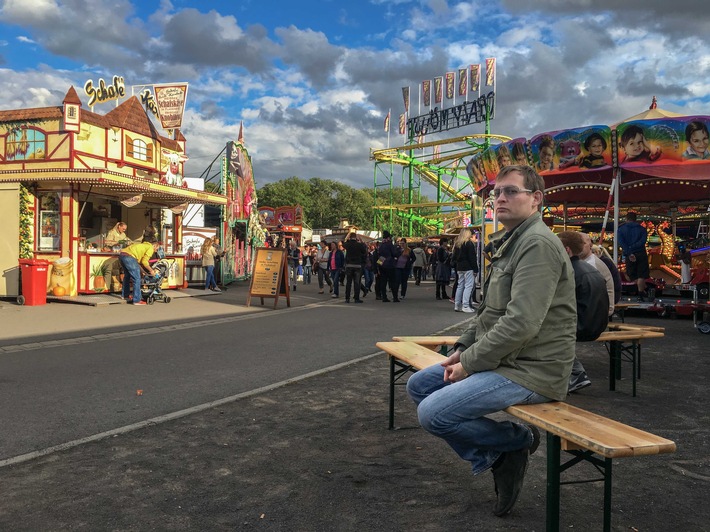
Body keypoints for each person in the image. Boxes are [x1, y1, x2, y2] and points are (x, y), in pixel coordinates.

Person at [406, 165, 576, 517]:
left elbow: (521, 324)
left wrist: (468, 365)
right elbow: (489, 313)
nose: (499, 197)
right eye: (496, 192)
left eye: (510, 191)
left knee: (432, 413)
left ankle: (516, 442)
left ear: (536, 199)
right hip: (510, 359)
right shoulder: (512, 241)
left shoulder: (537, 244)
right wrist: (463, 347)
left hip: (534, 368)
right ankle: (501, 452)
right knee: (419, 385)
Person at [557, 231, 610, 393]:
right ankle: (573, 372)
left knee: (540, 329)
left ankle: (575, 372)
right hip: (599, 323)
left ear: (566, 250)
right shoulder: (587, 267)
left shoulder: (568, 272)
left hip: (583, 326)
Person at [579, 233, 614, 318]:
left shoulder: (591, 265)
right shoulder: (585, 263)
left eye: (583, 243)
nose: (580, 247)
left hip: (598, 312)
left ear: (590, 245)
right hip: (597, 309)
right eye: (577, 244)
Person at [617, 212, 650, 301]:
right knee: (641, 274)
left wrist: (629, 252)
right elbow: (643, 242)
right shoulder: (642, 229)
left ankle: (642, 289)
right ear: (636, 219)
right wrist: (633, 248)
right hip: (640, 253)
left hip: (628, 253)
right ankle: (641, 293)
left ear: (626, 219)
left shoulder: (621, 229)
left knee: (631, 274)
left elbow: (621, 242)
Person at [119, 237, 160, 305]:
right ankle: (137, 300)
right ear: (154, 246)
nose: (156, 251)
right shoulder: (150, 248)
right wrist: (151, 271)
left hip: (122, 255)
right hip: (130, 257)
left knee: (127, 276)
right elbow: (144, 262)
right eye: (156, 249)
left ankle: (125, 295)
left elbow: (137, 263)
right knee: (137, 279)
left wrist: (143, 271)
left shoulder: (143, 245)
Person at [453, 228, 478, 313]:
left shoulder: (457, 244)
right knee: (468, 286)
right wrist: (475, 269)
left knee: (460, 285)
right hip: (468, 267)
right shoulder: (469, 243)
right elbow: (472, 257)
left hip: (459, 267)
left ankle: (457, 305)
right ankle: (466, 305)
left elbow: (454, 257)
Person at [343, 232, 367, 304]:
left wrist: (346, 239)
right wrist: (362, 241)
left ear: (350, 237)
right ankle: (356, 298)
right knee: (357, 283)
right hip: (357, 265)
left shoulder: (348, 244)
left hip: (349, 265)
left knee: (348, 283)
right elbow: (364, 251)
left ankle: (347, 298)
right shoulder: (359, 245)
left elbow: (343, 244)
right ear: (356, 238)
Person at [377, 231, 400, 303]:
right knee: (393, 281)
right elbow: (394, 254)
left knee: (383, 282)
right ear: (388, 238)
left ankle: (384, 297)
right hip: (390, 265)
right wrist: (399, 252)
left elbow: (379, 255)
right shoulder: (390, 245)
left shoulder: (381, 245)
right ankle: (395, 297)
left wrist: (379, 265)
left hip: (382, 263)